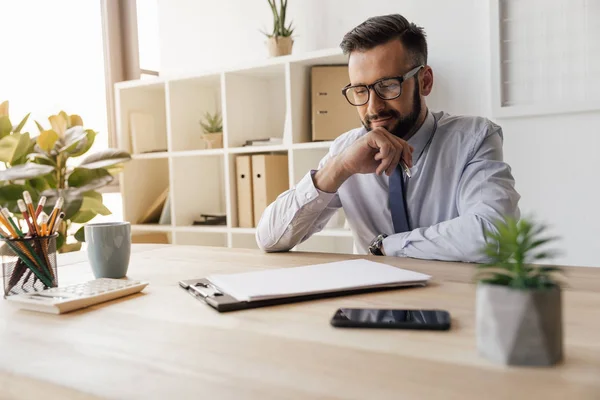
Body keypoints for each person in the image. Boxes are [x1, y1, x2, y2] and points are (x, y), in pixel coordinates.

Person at [255, 14, 520, 262]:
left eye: (388, 85)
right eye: (360, 90)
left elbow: (494, 235)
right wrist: (338, 168)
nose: (373, 107)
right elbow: (269, 238)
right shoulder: (347, 150)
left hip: (452, 303)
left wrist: (387, 246)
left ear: (425, 81)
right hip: (372, 307)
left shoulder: (473, 139)